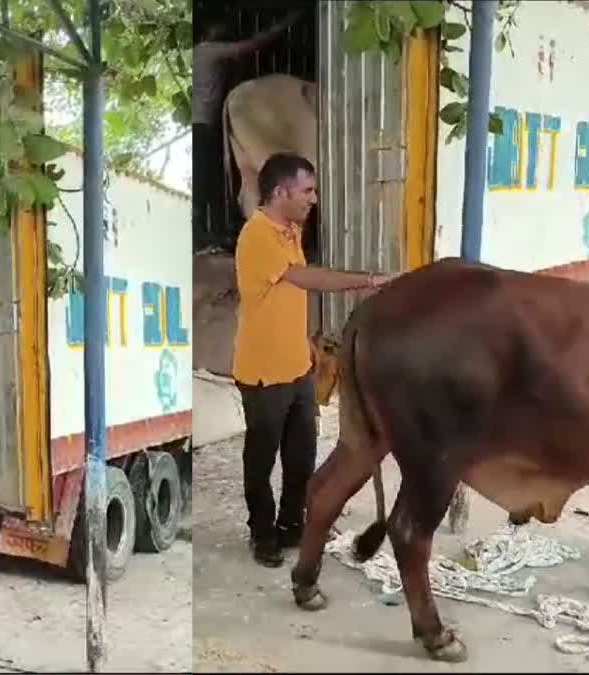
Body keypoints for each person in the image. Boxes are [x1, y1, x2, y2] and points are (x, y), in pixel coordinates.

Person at [232, 152, 399, 567]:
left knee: (301, 456)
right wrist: (371, 281)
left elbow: (289, 296)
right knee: (261, 458)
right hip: (263, 373)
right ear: (280, 191)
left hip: (297, 367)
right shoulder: (257, 235)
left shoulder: (289, 231)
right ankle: (262, 533)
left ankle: (292, 525)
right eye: (307, 190)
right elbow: (307, 279)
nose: (313, 198)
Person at [193, 10, 302, 240]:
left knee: (209, 182)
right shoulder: (207, 51)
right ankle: (204, 237)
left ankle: (218, 236)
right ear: (207, 33)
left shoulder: (199, 54)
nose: (222, 34)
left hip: (204, 123)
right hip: (203, 125)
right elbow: (247, 47)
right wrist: (283, 26)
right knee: (206, 183)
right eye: (217, 30)